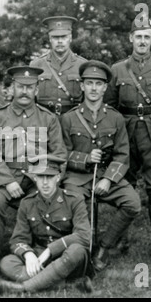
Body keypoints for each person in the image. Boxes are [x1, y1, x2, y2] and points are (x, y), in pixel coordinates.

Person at [103, 18, 151, 264]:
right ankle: (121, 242)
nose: (142, 41)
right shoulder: (117, 69)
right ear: (130, 39)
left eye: (147, 37)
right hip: (126, 134)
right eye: (138, 36)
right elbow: (110, 105)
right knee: (125, 186)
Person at [0, 66, 67, 273]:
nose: (24, 91)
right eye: (20, 86)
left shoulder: (48, 119)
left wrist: (46, 179)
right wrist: (8, 181)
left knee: (45, 201)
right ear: (11, 88)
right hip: (6, 176)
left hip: (37, 178)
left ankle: (40, 252)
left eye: (29, 87)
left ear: (37, 90)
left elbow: (60, 155)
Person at [60, 60, 141, 271]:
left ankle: (104, 247)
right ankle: (80, 251)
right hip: (77, 177)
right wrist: (85, 158)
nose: (94, 88)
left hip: (106, 175)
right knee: (73, 203)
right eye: (89, 83)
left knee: (133, 203)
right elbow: (62, 154)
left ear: (105, 87)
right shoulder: (68, 119)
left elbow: (123, 154)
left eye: (98, 83)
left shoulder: (115, 118)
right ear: (82, 86)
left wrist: (108, 179)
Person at [0, 154, 91, 294]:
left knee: (77, 250)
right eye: (41, 177)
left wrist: (50, 250)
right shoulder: (27, 203)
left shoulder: (74, 200)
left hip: (66, 257)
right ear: (34, 178)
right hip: (39, 258)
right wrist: (28, 254)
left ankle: (24, 288)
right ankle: (65, 284)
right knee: (6, 262)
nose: (45, 182)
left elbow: (84, 236)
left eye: (50, 177)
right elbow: (18, 240)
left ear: (58, 177)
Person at [29, 16, 87, 116]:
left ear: (70, 38)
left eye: (64, 37)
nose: (60, 41)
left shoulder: (83, 65)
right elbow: (30, 100)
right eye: (56, 37)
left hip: (73, 123)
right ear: (50, 39)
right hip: (44, 120)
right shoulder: (37, 64)